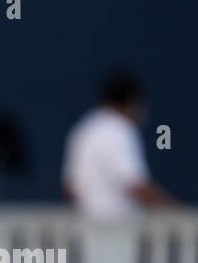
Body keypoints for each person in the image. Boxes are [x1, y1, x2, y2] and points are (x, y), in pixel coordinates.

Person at [63, 71, 174, 220]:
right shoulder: (119, 129)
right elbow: (135, 185)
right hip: (117, 230)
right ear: (132, 102)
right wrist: (176, 212)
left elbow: (70, 188)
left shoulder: (84, 129)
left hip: (87, 230)